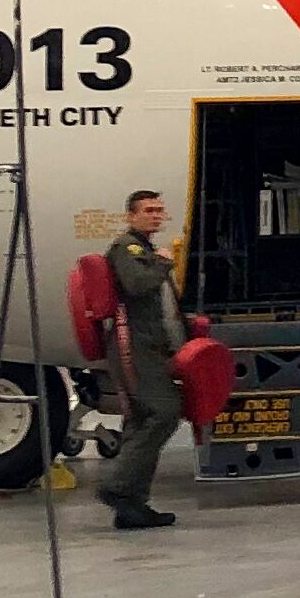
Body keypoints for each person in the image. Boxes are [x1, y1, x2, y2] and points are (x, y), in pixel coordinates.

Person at [95, 188, 185, 530]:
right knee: (165, 411)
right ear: (131, 216)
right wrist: (163, 262)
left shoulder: (141, 248)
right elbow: (137, 285)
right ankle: (116, 487)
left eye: (160, 210)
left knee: (140, 420)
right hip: (133, 345)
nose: (156, 215)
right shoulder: (128, 248)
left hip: (146, 344)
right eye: (148, 210)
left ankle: (132, 506)